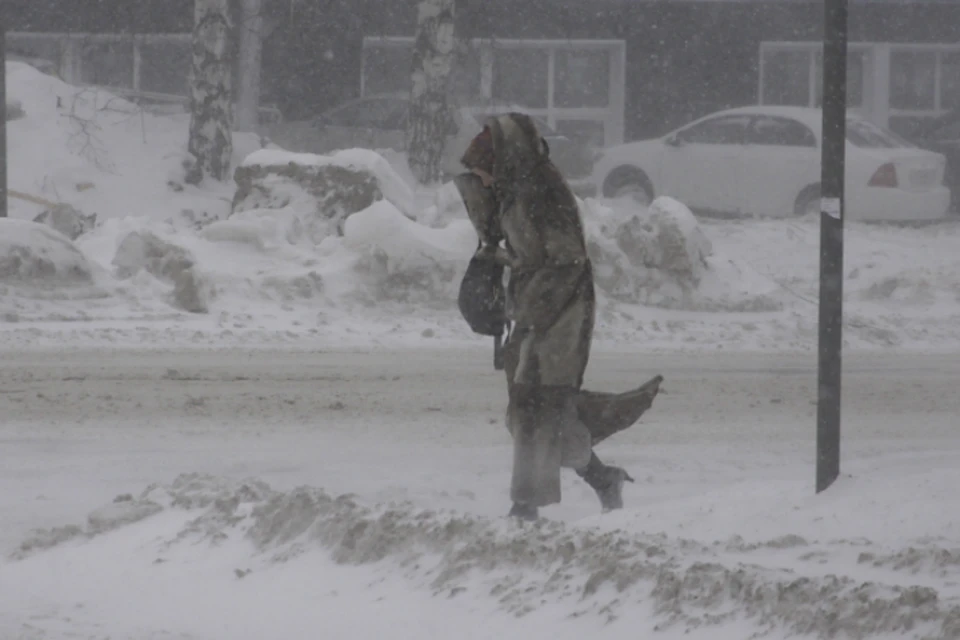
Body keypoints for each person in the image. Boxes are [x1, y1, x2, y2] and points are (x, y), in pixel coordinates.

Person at [458, 113, 658, 521]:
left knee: (536, 405)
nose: (486, 182)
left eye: (486, 172)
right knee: (536, 410)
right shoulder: (514, 189)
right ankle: (603, 479)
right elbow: (506, 238)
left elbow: (566, 257)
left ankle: (525, 506)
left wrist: (529, 302)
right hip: (535, 308)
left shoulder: (542, 190)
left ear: (503, 161)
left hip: (562, 310)